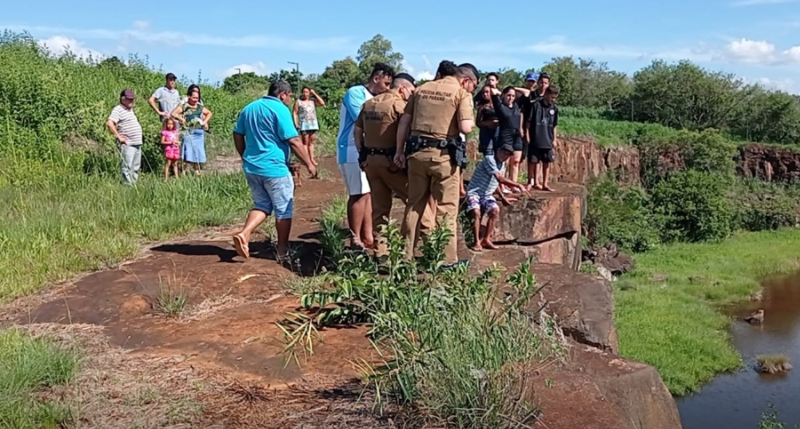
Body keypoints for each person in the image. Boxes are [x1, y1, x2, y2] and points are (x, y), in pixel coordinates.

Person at [395, 61, 477, 266]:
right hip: (443, 158)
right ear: (466, 80)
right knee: (446, 208)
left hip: (416, 155)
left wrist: (399, 151)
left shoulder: (421, 89)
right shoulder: (461, 94)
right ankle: (447, 261)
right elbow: (466, 127)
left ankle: (405, 257)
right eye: (473, 87)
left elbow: (404, 121)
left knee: (414, 205)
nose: (471, 90)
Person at [231, 80, 317, 262]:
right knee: (283, 209)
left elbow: (237, 133)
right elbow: (293, 140)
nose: (288, 100)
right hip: (274, 168)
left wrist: (244, 154)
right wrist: (309, 163)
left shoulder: (249, 108)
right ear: (282, 94)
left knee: (262, 204)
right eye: (289, 96)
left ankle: (245, 233)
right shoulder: (280, 110)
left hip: (252, 167)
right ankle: (282, 251)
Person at [353, 73, 436, 257]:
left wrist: (362, 154)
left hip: (371, 163)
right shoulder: (398, 105)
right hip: (391, 163)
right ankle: (433, 248)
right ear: (402, 88)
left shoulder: (369, 103)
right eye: (411, 91)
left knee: (380, 209)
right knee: (417, 202)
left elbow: (357, 131)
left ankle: (381, 253)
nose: (411, 95)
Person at [336, 62, 395, 250]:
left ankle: (368, 237)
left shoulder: (375, 98)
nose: (387, 88)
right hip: (351, 149)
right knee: (358, 194)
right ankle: (355, 238)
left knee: (368, 193)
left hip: (365, 150)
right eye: (386, 84)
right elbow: (364, 121)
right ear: (376, 79)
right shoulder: (355, 94)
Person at [465, 143, 526, 251]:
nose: (505, 156)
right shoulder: (489, 159)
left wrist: (502, 197)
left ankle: (486, 239)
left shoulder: (501, 164)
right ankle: (476, 242)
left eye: (508, 155)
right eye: (504, 153)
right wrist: (518, 185)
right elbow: (499, 178)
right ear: (498, 150)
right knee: (476, 212)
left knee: (495, 210)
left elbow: (495, 182)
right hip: (474, 193)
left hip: (487, 195)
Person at [171, 87, 213, 175]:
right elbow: (173, 113)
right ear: (189, 96)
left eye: (197, 98)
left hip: (199, 133)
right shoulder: (184, 106)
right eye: (193, 98)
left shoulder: (199, 107)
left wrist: (204, 122)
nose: (195, 100)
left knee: (197, 152)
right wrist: (181, 119)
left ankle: (197, 171)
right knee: (187, 152)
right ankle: (183, 172)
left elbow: (209, 113)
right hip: (188, 132)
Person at [525, 86, 560, 191]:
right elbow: (528, 122)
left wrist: (554, 139)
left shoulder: (554, 109)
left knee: (546, 162)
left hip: (548, 139)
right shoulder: (536, 105)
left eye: (554, 98)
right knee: (533, 162)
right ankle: (530, 182)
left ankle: (545, 183)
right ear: (546, 94)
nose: (552, 100)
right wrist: (527, 136)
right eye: (551, 97)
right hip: (535, 138)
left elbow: (554, 125)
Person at [489, 86, 525, 184]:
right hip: (506, 135)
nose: (511, 98)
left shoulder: (516, 105)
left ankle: (514, 184)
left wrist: (515, 88)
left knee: (516, 161)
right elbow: (492, 91)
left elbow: (527, 93)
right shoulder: (500, 106)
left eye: (513, 96)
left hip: (517, 136)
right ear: (504, 95)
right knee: (504, 162)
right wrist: (501, 93)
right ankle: (502, 186)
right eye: (508, 95)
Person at [106, 89, 143, 185]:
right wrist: (119, 137)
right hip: (128, 143)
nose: (132, 101)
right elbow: (110, 123)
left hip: (137, 143)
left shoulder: (129, 110)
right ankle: (127, 185)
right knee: (127, 166)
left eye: (132, 99)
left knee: (135, 167)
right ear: (123, 99)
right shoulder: (118, 109)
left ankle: (134, 185)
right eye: (129, 99)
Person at [293, 86, 325, 166]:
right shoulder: (299, 101)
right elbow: (295, 112)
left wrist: (315, 94)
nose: (305, 94)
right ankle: (306, 160)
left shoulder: (312, 102)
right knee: (305, 142)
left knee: (311, 142)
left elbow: (322, 103)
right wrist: (296, 123)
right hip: (304, 125)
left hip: (313, 124)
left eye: (307, 92)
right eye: (303, 92)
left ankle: (312, 159)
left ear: (309, 93)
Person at [476, 85, 499, 157]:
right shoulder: (482, 106)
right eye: (483, 93)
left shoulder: (499, 103)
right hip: (486, 132)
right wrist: (487, 123)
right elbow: (478, 122)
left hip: (498, 131)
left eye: (487, 92)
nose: (485, 94)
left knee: (499, 154)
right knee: (488, 154)